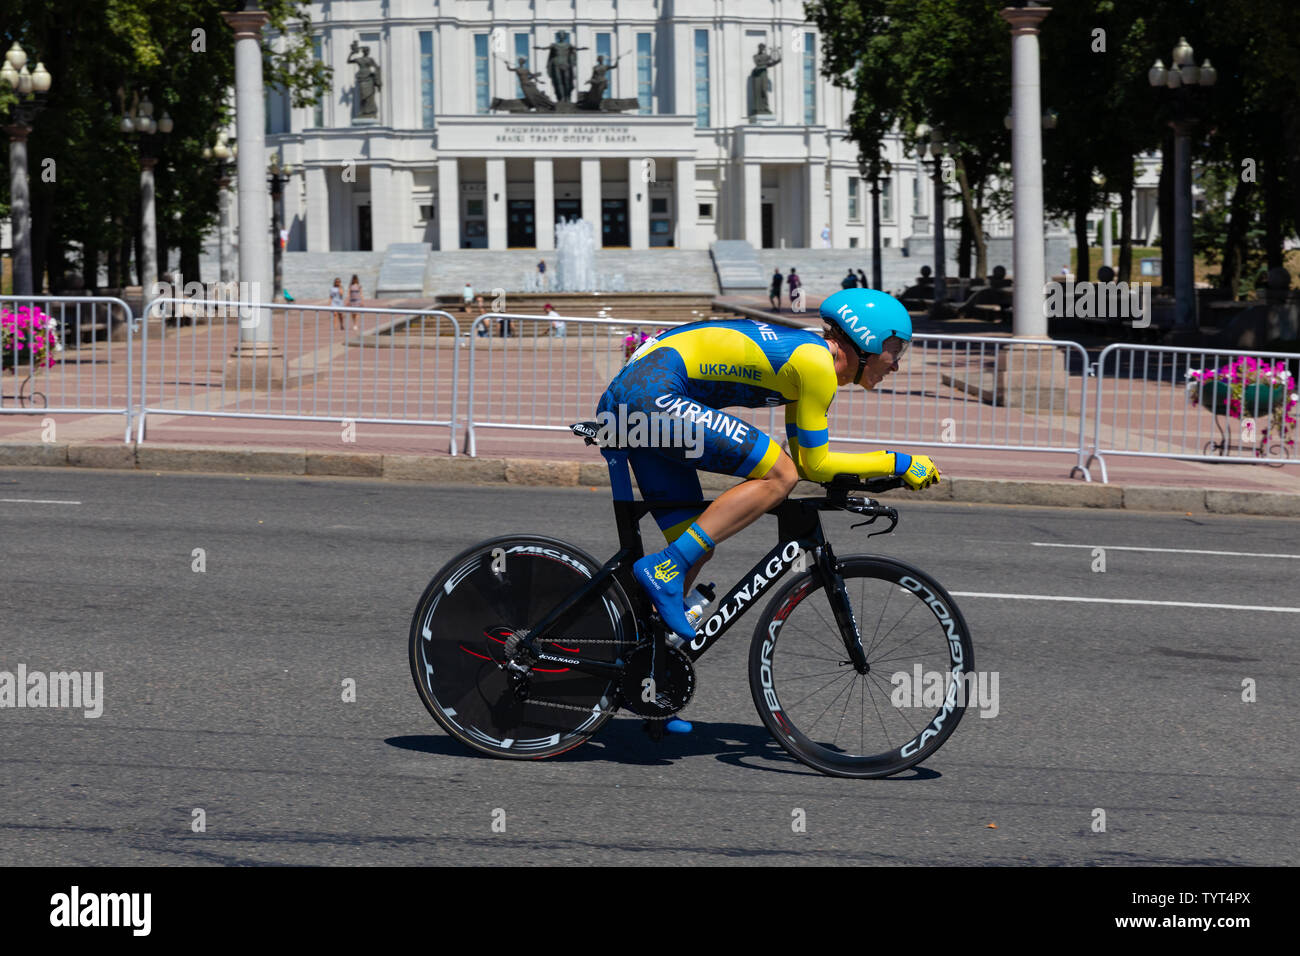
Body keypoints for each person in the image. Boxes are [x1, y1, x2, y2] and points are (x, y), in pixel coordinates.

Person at [595, 288, 939, 733]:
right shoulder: (816, 365)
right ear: (866, 341)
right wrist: (899, 462)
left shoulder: (810, 364)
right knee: (779, 476)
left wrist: (871, 474)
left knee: (696, 545)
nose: (896, 362)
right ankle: (664, 571)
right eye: (895, 349)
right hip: (650, 395)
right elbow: (810, 465)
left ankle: (648, 683)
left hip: (640, 395)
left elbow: (811, 457)